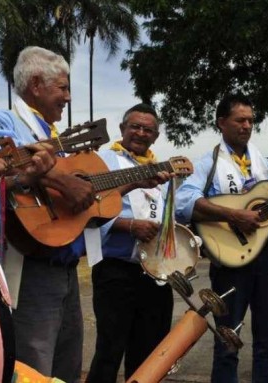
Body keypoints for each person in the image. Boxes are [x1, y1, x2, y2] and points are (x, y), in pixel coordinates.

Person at [0, 46, 95, 383]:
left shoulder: (58, 138)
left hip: (67, 269)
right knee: (33, 368)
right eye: (63, 88)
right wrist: (59, 180)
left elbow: (75, 199)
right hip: (30, 270)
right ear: (37, 84)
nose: (68, 97)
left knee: (67, 366)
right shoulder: (1, 121)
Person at [175, 93, 268, 383]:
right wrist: (233, 215)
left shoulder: (267, 166)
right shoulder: (207, 164)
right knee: (228, 339)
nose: (247, 125)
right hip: (228, 258)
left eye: (251, 120)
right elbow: (184, 201)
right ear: (222, 122)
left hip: (267, 258)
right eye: (240, 120)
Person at [88, 103, 174, 382]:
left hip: (155, 273)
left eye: (148, 129)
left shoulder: (161, 172)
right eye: (134, 126)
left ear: (156, 136)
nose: (140, 133)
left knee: (149, 355)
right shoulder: (103, 161)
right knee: (109, 352)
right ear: (122, 129)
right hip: (116, 271)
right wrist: (128, 225)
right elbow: (91, 209)